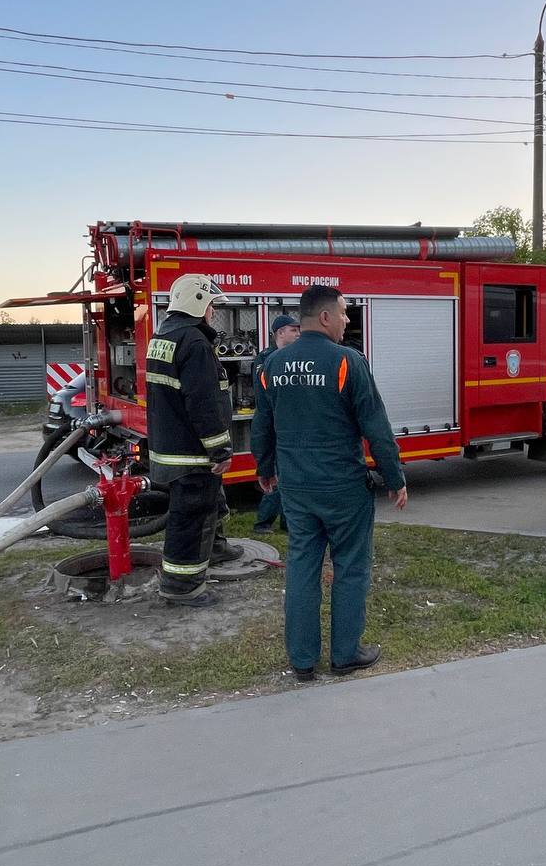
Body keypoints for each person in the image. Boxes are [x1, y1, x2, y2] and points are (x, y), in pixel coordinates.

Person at [251, 285, 407, 681]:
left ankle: (302, 661)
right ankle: (345, 654)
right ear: (324, 318)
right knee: (350, 568)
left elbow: (262, 425)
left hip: (297, 488)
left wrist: (265, 467)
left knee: (302, 567)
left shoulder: (271, 366)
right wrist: (394, 476)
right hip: (343, 488)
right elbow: (376, 425)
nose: (347, 319)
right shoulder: (347, 362)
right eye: (342, 312)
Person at [145, 273, 235, 607]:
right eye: (211, 304)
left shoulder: (164, 335)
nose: (212, 311)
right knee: (190, 520)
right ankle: (182, 588)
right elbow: (203, 403)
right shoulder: (195, 343)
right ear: (197, 302)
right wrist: (220, 449)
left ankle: (215, 549)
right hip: (192, 454)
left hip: (170, 449)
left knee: (198, 513)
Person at [251, 314, 300, 535]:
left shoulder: (289, 356)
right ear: (280, 333)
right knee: (278, 478)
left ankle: (286, 523)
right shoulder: (266, 359)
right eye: (293, 330)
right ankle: (263, 523)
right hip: (273, 427)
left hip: (285, 426)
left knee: (286, 476)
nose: (298, 333)